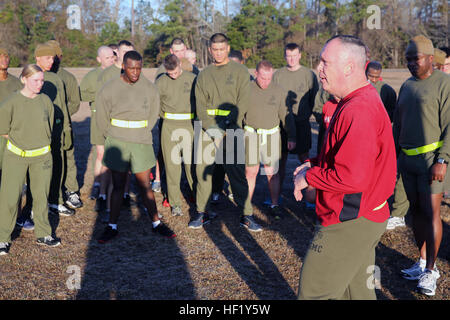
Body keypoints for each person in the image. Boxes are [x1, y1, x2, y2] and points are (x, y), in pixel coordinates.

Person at [293, 35, 396, 300]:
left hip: (349, 219)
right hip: (364, 216)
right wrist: (312, 165)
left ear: (349, 67)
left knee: (315, 294)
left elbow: (353, 178)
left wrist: (309, 177)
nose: (319, 69)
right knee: (358, 294)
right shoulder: (354, 102)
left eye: (325, 62)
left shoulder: (357, 109)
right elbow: (345, 157)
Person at [95, 50, 176, 243]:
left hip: (141, 140)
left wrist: (141, 131)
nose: (135, 72)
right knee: (118, 185)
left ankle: (156, 222)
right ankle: (112, 226)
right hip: (118, 140)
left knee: (144, 185)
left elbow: (153, 114)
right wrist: (115, 134)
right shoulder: (110, 87)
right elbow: (102, 117)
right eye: (131, 68)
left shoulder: (149, 87)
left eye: (138, 68)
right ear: (123, 66)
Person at [394, 35, 450, 296]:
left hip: (432, 160)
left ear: (430, 58)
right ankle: (421, 260)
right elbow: (398, 124)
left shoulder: (443, 83)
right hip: (407, 159)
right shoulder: (406, 86)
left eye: (414, 59)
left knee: (431, 213)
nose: (410, 64)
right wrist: (394, 156)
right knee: (415, 213)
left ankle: (432, 270)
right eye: (407, 60)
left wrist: (443, 159)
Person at [191, 33, 260, 231]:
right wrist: (212, 130)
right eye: (215, 49)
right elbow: (201, 105)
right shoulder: (204, 74)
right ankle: (201, 213)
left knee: (237, 173)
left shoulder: (240, 71)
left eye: (222, 49)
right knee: (202, 173)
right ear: (210, 50)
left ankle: (246, 214)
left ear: (228, 49)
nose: (219, 53)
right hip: (208, 130)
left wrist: (230, 128)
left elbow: (243, 101)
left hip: (232, 130)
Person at [0, 64, 60, 256]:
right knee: (10, 198)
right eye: (36, 80)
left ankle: (44, 234)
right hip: (16, 156)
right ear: (24, 79)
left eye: (42, 80)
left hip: (42, 157)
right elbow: (3, 130)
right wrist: (22, 143)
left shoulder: (45, 101)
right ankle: (3, 238)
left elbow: (49, 126)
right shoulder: (11, 102)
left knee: (41, 197)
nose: (39, 84)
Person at [244, 60, 296, 219]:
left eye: (269, 78)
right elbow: (239, 114)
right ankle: (246, 208)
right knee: (250, 172)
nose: (266, 82)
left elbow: (285, 115)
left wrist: (292, 135)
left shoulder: (279, 91)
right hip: (251, 134)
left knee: (272, 172)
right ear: (256, 74)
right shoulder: (246, 89)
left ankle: (274, 204)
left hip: (272, 135)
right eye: (263, 78)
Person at [272, 43, 318, 209]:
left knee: (305, 160)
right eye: (288, 56)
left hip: (302, 123)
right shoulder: (278, 75)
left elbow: (315, 98)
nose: (291, 59)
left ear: (299, 56)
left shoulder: (308, 75)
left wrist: (311, 116)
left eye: (294, 55)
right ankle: (276, 198)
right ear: (285, 56)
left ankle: (309, 198)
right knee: (280, 161)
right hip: (282, 124)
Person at [95, 40, 135, 213]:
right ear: (117, 52)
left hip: (126, 124)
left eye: (130, 51)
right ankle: (103, 196)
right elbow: (100, 101)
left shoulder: (132, 71)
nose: (127, 54)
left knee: (126, 162)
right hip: (109, 123)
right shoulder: (107, 73)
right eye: (124, 51)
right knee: (107, 160)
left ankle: (125, 195)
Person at [34, 43, 74, 217]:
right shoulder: (30, 75)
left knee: (58, 164)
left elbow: (63, 108)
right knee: (37, 169)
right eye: (47, 58)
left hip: (56, 130)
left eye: (53, 58)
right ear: (37, 58)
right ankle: (35, 207)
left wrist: (66, 129)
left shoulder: (56, 79)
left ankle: (55, 201)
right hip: (36, 130)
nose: (52, 61)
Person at [155, 54, 196, 216]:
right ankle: (175, 202)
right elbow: (155, 103)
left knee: (191, 165)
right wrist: (165, 117)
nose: (173, 75)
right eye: (170, 73)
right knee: (172, 166)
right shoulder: (161, 82)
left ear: (180, 65)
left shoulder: (193, 79)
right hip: (169, 126)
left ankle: (197, 197)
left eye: (175, 72)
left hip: (189, 125)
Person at [46, 40, 83, 210]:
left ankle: (71, 190)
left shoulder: (67, 77)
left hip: (63, 125)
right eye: (49, 56)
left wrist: (61, 116)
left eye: (56, 56)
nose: (53, 60)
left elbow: (74, 103)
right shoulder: (38, 75)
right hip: (42, 127)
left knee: (68, 157)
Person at [80, 46, 116, 201]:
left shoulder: (118, 73)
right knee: (100, 153)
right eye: (107, 57)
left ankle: (116, 186)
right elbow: (82, 93)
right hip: (98, 117)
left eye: (112, 57)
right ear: (99, 59)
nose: (111, 59)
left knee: (116, 153)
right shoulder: (92, 75)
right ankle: (97, 184)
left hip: (115, 118)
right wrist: (100, 94)